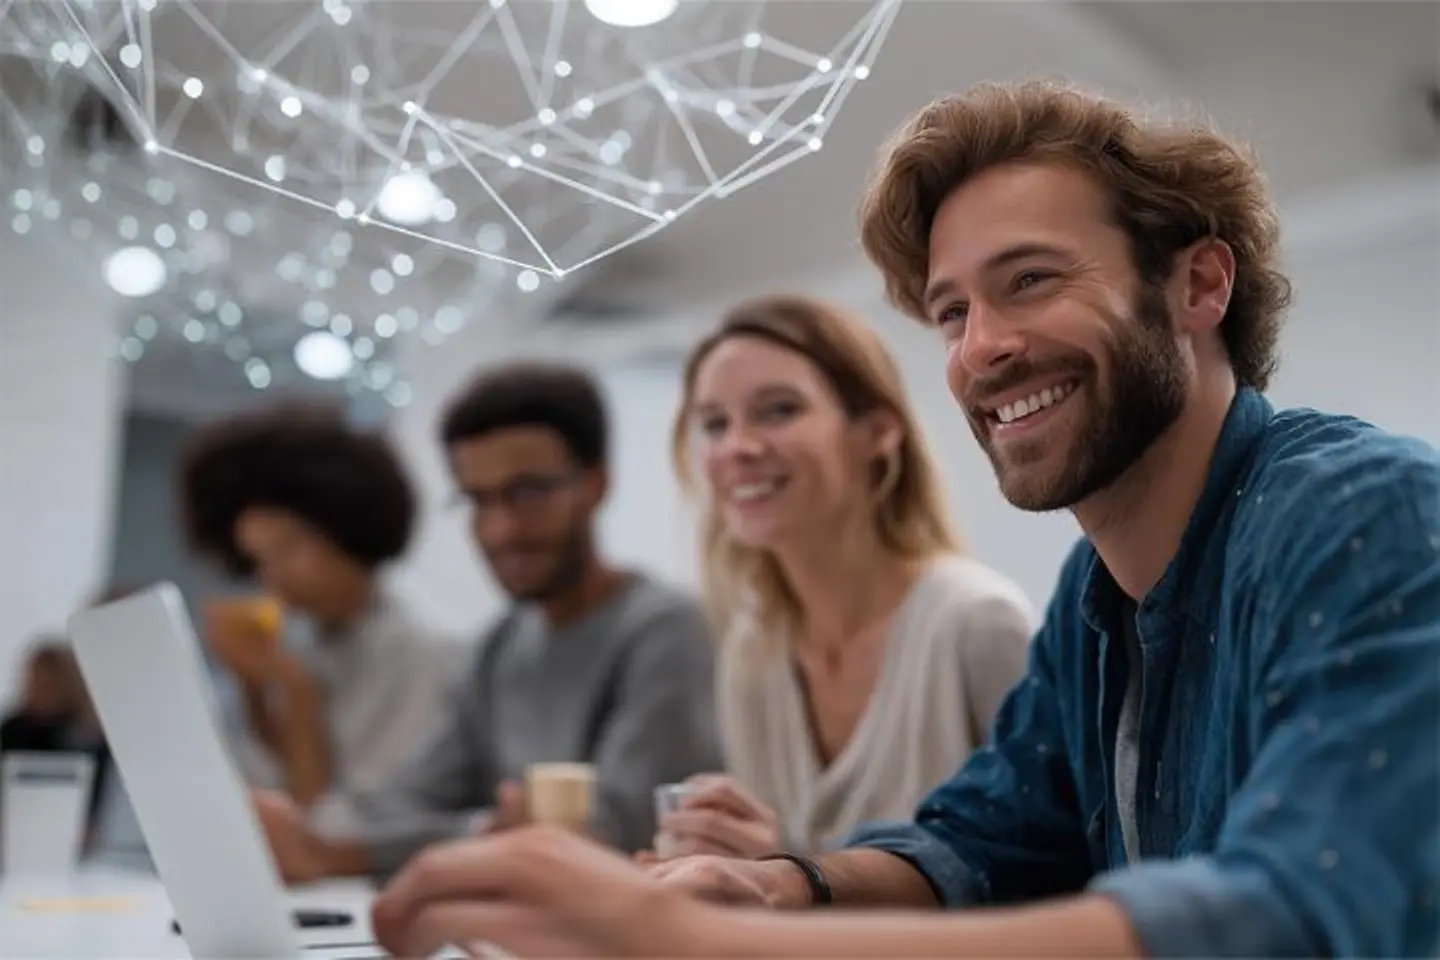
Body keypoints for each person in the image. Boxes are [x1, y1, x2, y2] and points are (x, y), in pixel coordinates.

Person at [366, 79, 1440, 958]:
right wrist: (775, 887)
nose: (980, 350)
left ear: (1200, 285)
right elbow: (982, 842)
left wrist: (698, 942)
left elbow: (1294, 913)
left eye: (1030, 280)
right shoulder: (1096, 593)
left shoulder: (1361, 510)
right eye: (953, 312)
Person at [253, 361, 722, 883]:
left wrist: (338, 852)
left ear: (595, 485)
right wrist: (298, 829)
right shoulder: (497, 648)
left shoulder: (667, 632)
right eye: (478, 500)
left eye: (527, 494)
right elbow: (410, 797)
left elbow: (616, 831)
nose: (501, 530)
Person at [652, 294, 1032, 859]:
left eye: (778, 410)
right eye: (713, 424)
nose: (739, 447)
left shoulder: (977, 625)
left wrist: (782, 872)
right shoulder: (754, 650)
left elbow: (1051, 886)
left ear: (878, 431)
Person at [180, 403, 459, 808]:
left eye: (289, 548)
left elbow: (336, 828)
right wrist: (253, 686)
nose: (274, 577)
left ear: (348, 527)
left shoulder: (428, 656)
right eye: (258, 559)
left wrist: (295, 691)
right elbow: (262, 793)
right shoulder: (294, 643)